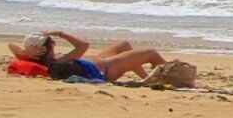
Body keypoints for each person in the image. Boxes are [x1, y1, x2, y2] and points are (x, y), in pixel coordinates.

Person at [18, 29, 169, 85]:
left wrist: (30, 50)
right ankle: (174, 79)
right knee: (151, 53)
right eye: (52, 42)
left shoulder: (40, 59)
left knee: (123, 45)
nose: (54, 44)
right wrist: (61, 34)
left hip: (99, 62)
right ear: (46, 48)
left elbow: (13, 46)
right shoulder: (57, 62)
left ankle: (146, 78)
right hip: (107, 68)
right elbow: (83, 45)